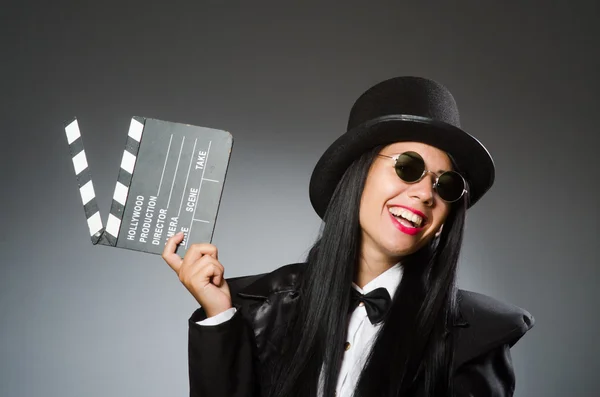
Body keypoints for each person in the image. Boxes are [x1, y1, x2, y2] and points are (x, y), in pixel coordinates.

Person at [162, 76, 535, 397]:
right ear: (356, 176)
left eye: (447, 185)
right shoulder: (261, 311)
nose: (425, 193)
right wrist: (219, 316)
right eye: (408, 167)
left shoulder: (475, 341)